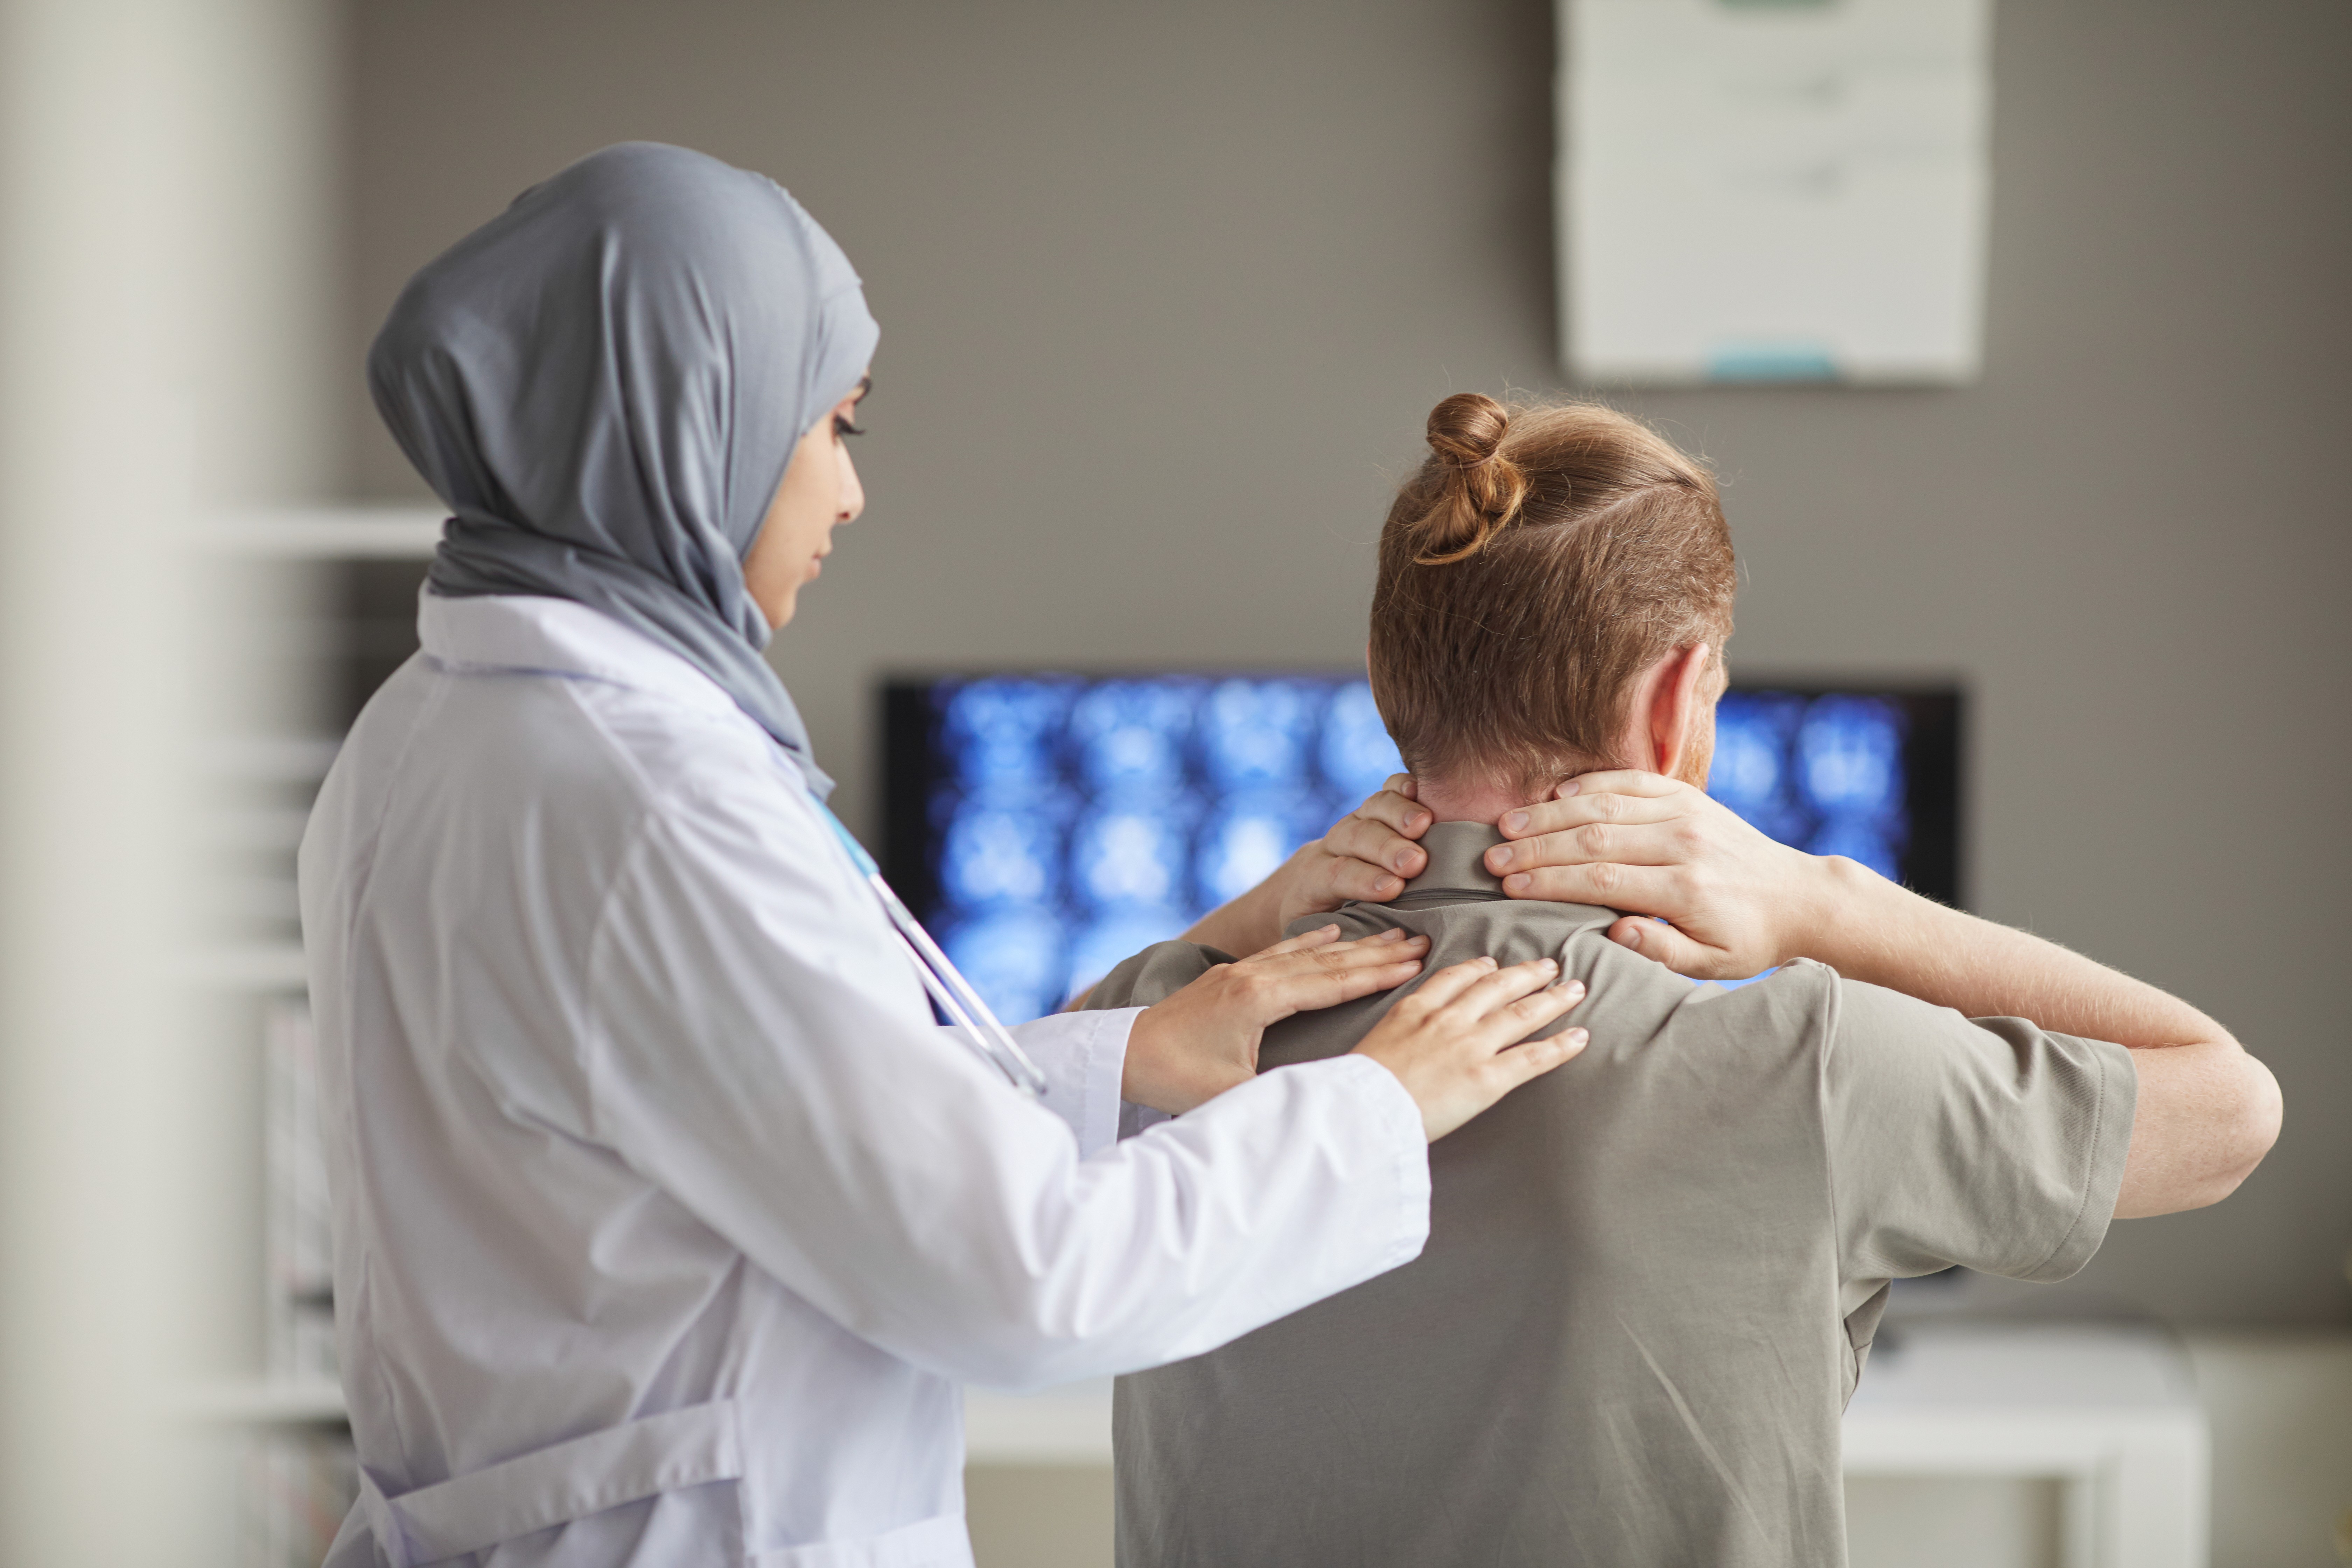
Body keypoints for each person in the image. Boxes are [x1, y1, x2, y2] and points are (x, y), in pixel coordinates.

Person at [302, 144, 1619, 1568]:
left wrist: (1124, 1056)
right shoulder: (657, 800)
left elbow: (735, 1116)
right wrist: (1373, 1106)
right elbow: (1025, 1278)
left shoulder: (430, 725)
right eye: (836, 425)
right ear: (690, 419)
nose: (850, 495)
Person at [1085, 393, 2283, 1568]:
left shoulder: (1146, 1042)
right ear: (1673, 702)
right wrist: (1826, 900)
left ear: (1384, 676)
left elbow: (1005, 1107)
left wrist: (1263, 913)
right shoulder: (1802, 1063)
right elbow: (2230, 1114)